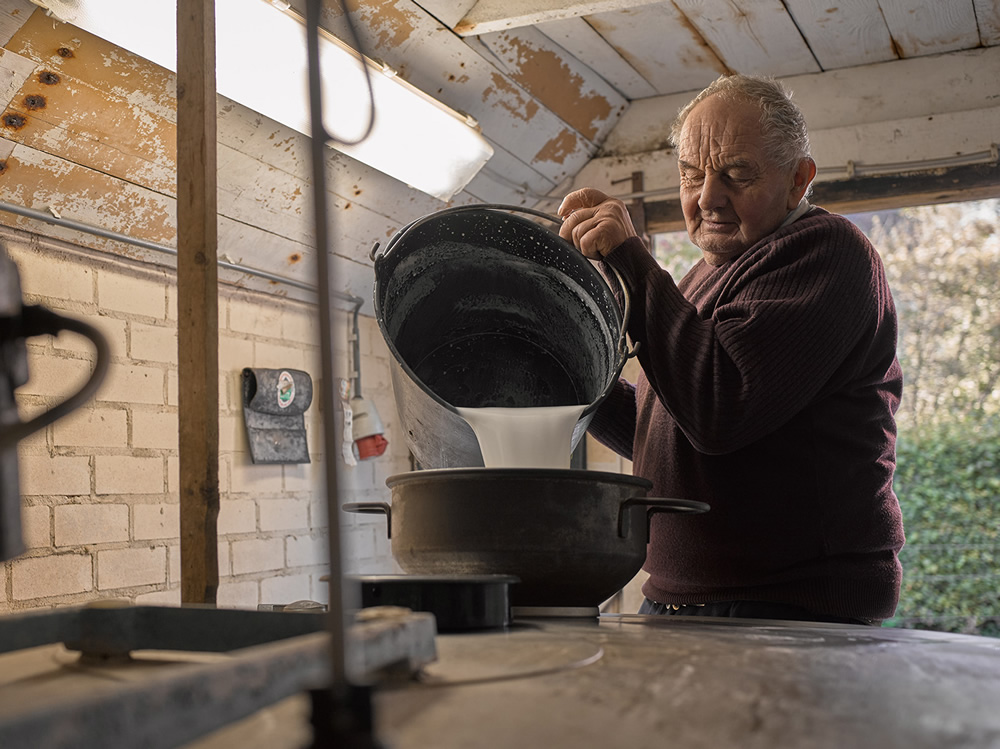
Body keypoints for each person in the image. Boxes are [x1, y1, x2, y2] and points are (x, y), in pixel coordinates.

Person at [557, 74, 904, 626]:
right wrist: (569, 371)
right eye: (691, 175)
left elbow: (720, 407)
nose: (707, 197)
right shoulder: (703, 276)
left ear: (798, 179)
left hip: (789, 607)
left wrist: (631, 258)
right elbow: (664, 429)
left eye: (737, 174)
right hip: (684, 598)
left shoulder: (827, 253)